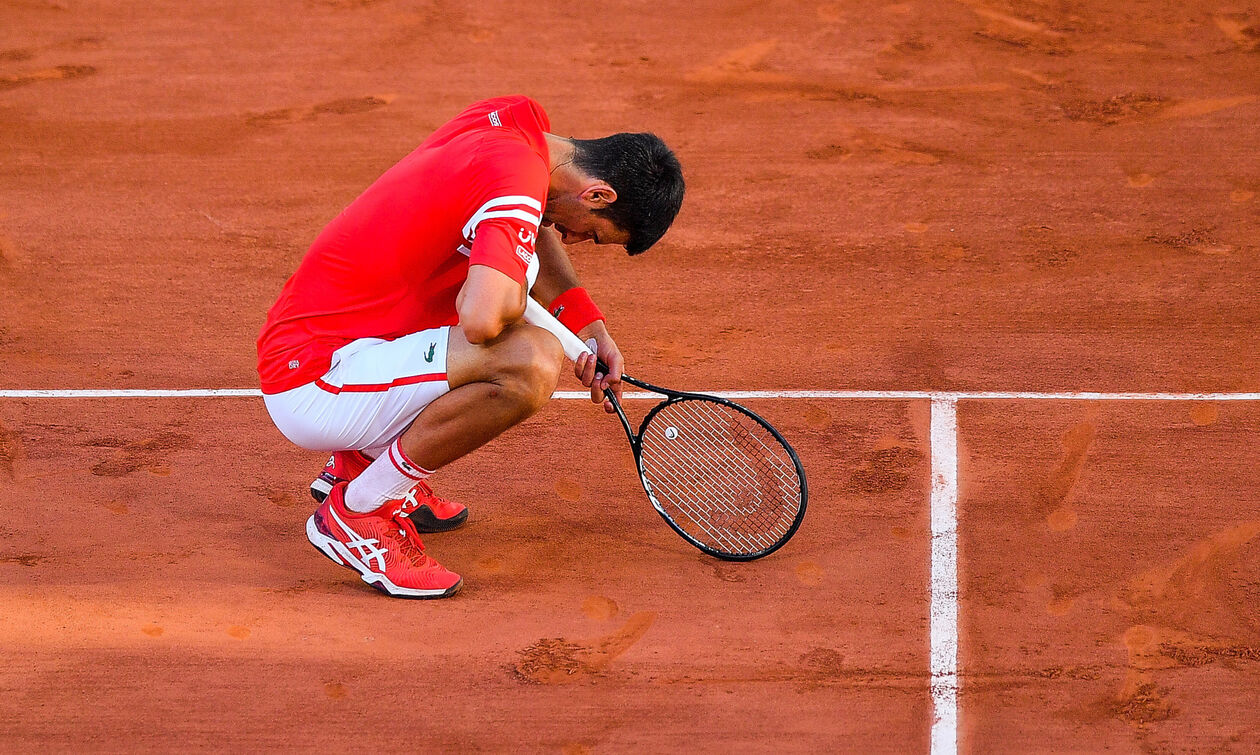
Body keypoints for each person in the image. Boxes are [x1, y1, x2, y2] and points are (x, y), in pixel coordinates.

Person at [256, 95, 685, 599]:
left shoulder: (517, 127)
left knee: (523, 323)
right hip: (316, 381)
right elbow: (481, 320)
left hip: (341, 337)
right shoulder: (517, 183)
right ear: (598, 196)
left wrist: (587, 328)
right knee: (530, 360)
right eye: (592, 234)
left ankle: (359, 462)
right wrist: (515, 285)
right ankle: (360, 510)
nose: (571, 240)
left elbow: (530, 223)